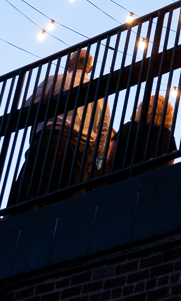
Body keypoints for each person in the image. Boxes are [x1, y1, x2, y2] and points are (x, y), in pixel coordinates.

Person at [8, 49, 110, 207]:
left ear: (70, 63)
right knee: (69, 202)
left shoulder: (56, 79)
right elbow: (104, 127)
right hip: (82, 151)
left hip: (51, 141)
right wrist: (94, 156)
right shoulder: (99, 92)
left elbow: (27, 107)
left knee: (31, 195)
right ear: (90, 68)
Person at [106, 94, 178, 175]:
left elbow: (110, 158)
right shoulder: (167, 136)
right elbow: (170, 165)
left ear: (142, 108)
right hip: (154, 182)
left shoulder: (128, 127)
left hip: (123, 179)